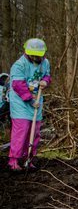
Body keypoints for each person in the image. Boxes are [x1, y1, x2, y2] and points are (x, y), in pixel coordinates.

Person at [8, 39, 52, 170]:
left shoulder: (45, 63)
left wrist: (45, 81)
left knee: (35, 131)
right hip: (20, 102)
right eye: (33, 55)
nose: (36, 58)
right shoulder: (19, 65)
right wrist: (30, 100)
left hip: (37, 101)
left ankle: (29, 158)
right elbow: (18, 85)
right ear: (27, 53)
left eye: (38, 56)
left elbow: (47, 76)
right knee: (22, 130)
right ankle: (14, 160)